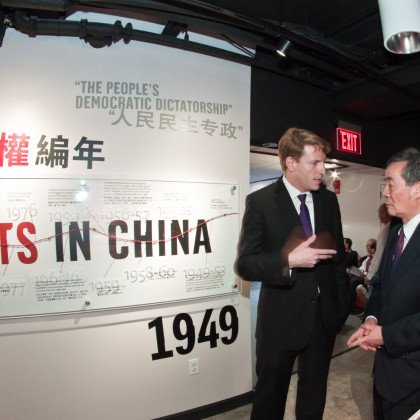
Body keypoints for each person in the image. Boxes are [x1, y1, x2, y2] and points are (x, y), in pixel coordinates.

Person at [235, 127, 349, 420]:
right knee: (269, 402)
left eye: (324, 163)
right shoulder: (261, 203)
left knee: (313, 400)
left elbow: (337, 260)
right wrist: (289, 260)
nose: (322, 170)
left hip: (322, 322)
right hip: (280, 324)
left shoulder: (327, 201)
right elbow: (245, 264)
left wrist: (338, 310)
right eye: (315, 163)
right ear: (290, 163)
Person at [348, 147, 420, 420]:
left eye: (390, 183)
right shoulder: (397, 233)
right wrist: (372, 319)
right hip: (386, 377)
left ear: (417, 188)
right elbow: (381, 287)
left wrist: (386, 336)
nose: (385, 193)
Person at [356, 204, 392, 307]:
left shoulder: (387, 231)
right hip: (381, 273)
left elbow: (378, 256)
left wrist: (369, 275)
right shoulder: (390, 228)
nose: (379, 215)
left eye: (381, 212)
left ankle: (370, 315)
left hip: (378, 274)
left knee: (373, 300)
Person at [348, 238, 376, 314]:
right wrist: (354, 271)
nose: (367, 248)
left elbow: (374, 271)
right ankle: (346, 303)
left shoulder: (377, 258)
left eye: (369, 246)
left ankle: (351, 307)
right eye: (366, 246)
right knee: (349, 277)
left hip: (370, 278)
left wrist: (365, 274)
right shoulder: (367, 258)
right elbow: (362, 268)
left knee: (354, 281)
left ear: (374, 247)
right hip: (363, 276)